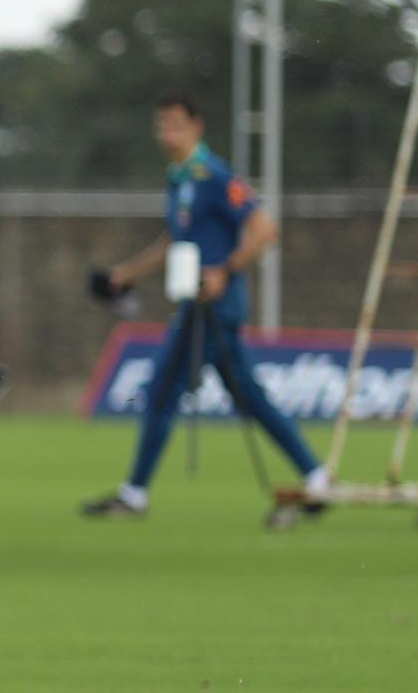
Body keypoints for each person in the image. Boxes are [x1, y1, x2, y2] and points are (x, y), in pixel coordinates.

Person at [85, 92, 332, 519]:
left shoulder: (214, 175)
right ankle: (316, 476)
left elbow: (263, 229)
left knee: (168, 391)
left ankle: (135, 494)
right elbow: (176, 238)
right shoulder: (179, 176)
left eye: (176, 125)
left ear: (197, 127)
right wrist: (130, 273)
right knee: (241, 397)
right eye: (161, 125)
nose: (166, 134)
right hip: (194, 306)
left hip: (216, 310)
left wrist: (224, 270)